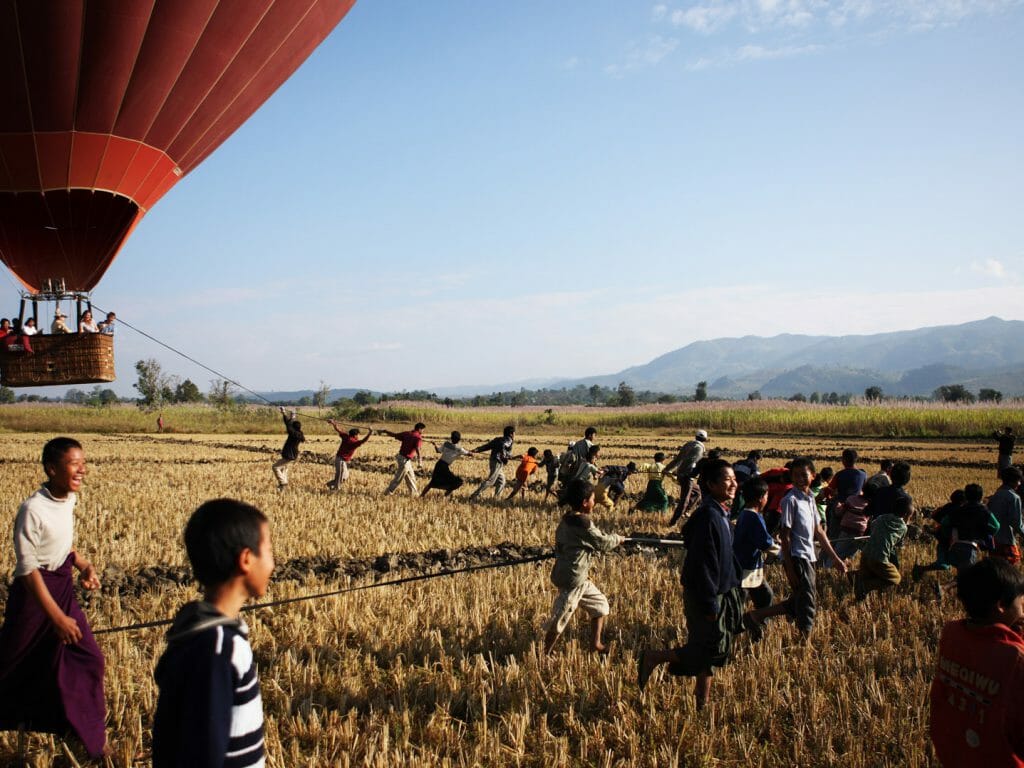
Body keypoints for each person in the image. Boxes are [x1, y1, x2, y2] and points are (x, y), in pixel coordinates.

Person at [0, 437, 106, 758]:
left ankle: (94, 741)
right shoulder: (32, 509)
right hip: (35, 599)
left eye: (82, 462)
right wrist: (57, 618)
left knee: (89, 659)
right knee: (10, 666)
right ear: (52, 469)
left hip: (62, 589)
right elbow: (28, 567)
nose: (82, 469)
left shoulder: (69, 499)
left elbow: (61, 546)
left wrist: (82, 564)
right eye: (74, 463)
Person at [152, 498, 274, 768]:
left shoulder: (205, 634)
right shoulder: (217, 648)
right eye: (268, 550)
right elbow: (201, 752)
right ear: (246, 559)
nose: (273, 563)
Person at [636, 459, 747, 709]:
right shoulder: (709, 516)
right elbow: (703, 564)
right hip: (706, 594)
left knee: (711, 649)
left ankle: (701, 703)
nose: (733, 484)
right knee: (707, 650)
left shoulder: (720, 512)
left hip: (721, 591)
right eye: (727, 480)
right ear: (711, 484)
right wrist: (709, 603)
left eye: (734, 479)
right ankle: (654, 657)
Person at [929, 558, 1024, 767]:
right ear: (1001, 605)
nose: (1023, 612)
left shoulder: (951, 633)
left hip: (955, 750)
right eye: (1021, 605)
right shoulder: (1014, 658)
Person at [745, 457, 848, 638]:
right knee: (808, 601)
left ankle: (756, 616)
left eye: (803, 475)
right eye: (795, 475)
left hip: (809, 555)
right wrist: (790, 569)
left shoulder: (810, 499)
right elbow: (785, 535)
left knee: (800, 599)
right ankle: (804, 638)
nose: (799, 479)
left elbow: (819, 532)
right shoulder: (790, 500)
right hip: (796, 556)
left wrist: (835, 558)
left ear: (813, 476)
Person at [542, 480, 623, 654]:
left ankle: (596, 644)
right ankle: (544, 654)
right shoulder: (583, 524)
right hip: (572, 579)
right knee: (559, 619)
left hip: (579, 577)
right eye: (593, 499)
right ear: (585, 502)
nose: (595, 502)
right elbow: (602, 542)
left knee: (600, 606)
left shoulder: (568, 519)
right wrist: (617, 538)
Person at [852, 496, 913, 601]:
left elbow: (873, 525)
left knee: (867, 574)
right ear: (906, 515)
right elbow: (898, 543)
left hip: (866, 553)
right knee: (895, 579)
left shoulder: (881, 518)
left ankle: (856, 577)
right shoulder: (903, 527)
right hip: (879, 558)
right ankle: (866, 586)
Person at [733, 477, 780, 611]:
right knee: (758, 597)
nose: (767, 499)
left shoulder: (745, 514)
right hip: (747, 566)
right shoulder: (753, 517)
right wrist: (782, 552)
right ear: (761, 498)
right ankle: (756, 622)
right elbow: (765, 543)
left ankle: (754, 623)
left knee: (760, 595)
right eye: (766, 495)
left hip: (745, 564)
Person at [941, 483, 999, 571]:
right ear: (980, 497)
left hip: (955, 545)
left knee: (962, 573)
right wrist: (986, 533)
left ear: (966, 496)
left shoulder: (959, 509)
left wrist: (948, 534)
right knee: (968, 575)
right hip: (971, 546)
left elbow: (944, 522)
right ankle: (946, 585)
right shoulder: (984, 511)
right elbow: (996, 526)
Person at [666, 429, 709, 526]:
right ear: (705, 439)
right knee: (684, 499)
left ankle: (685, 512)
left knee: (698, 492)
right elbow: (692, 463)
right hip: (688, 476)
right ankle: (674, 521)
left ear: (696, 436)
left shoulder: (688, 444)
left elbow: (678, 459)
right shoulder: (700, 448)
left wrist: (668, 469)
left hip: (682, 474)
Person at [469, 426, 515, 501]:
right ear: (511, 434)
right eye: (513, 433)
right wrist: (504, 455)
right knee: (491, 481)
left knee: (501, 481)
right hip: (497, 462)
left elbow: (487, 446)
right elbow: (503, 445)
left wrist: (476, 450)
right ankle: (475, 495)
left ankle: (496, 499)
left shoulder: (497, 439)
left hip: (493, 461)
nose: (514, 435)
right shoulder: (509, 440)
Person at [422, 431, 473, 498]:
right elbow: (470, 454)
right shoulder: (459, 449)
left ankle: (421, 495)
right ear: (459, 439)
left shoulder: (446, 444)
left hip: (439, 465)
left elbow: (438, 451)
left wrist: (434, 445)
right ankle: (446, 494)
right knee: (457, 482)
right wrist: (472, 451)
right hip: (444, 466)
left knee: (432, 482)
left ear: (451, 438)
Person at [988, 466, 1023, 564]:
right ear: (1012, 481)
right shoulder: (1014, 498)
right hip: (1007, 540)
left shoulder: (995, 495)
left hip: (994, 541)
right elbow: (1016, 523)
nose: (1019, 484)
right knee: (1010, 573)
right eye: (1018, 481)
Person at [380, 423, 425, 496]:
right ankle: (388, 492)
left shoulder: (407, 433)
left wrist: (386, 431)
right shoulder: (418, 437)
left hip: (402, 458)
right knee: (398, 478)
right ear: (420, 429)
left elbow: (394, 435)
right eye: (423, 430)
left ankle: (414, 494)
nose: (423, 431)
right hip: (404, 460)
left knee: (411, 477)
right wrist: (420, 461)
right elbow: (418, 450)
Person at [326, 421, 372, 491]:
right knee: (340, 477)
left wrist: (333, 423)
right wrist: (370, 433)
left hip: (340, 460)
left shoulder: (345, 436)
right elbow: (363, 441)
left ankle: (330, 484)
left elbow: (338, 430)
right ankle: (336, 489)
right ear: (355, 435)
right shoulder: (353, 442)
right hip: (341, 460)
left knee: (345, 476)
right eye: (358, 435)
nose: (358, 436)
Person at [271, 407, 305, 490]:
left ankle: (283, 483)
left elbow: (288, 425)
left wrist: (287, 414)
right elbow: (289, 424)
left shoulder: (293, 433)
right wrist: (290, 416)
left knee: (275, 467)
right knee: (283, 468)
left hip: (289, 455)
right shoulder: (299, 433)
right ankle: (283, 486)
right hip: (292, 454)